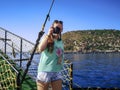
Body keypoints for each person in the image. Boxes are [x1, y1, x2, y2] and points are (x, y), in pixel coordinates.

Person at [36, 20, 64, 90]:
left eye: (60, 29)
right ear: (52, 28)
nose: (59, 30)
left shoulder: (60, 41)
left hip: (57, 71)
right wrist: (48, 34)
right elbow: (40, 49)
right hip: (45, 71)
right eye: (57, 28)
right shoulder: (47, 38)